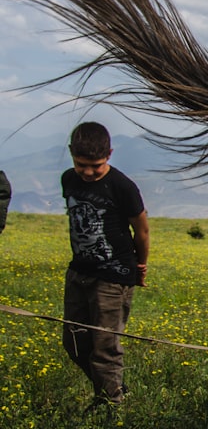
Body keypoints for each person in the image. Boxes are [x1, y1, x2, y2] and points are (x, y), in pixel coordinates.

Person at [61, 122, 149, 412]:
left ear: (109, 154)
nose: (87, 172)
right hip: (79, 272)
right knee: (74, 343)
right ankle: (110, 390)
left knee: (105, 346)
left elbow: (142, 230)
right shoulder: (68, 180)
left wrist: (140, 265)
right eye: (80, 164)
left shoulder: (122, 186)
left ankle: (112, 406)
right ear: (72, 154)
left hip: (113, 278)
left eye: (95, 166)